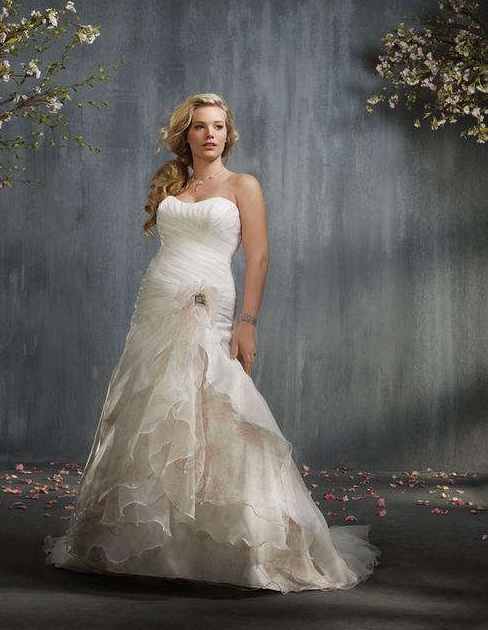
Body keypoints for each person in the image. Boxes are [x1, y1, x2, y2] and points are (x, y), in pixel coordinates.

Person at [43, 93, 381, 594]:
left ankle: (238, 540)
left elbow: (259, 257)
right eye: (200, 126)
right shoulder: (173, 183)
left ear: (228, 134)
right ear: (187, 133)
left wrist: (248, 322)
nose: (210, 135)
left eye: (219, 126)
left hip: (211, 301)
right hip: (157, 298)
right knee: (153, 400)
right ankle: (159, 542)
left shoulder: (243, 185)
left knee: (215, 397)